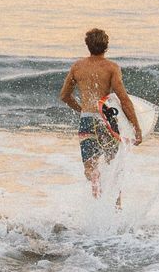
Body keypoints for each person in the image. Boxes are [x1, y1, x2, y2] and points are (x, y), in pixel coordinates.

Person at [59, 28, 141, 204]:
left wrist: (82, 109)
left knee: (90, 168)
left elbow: (65, 96)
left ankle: (97, 199)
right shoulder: (111, 68)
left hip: (87, 120)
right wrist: (136, 128)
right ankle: (116, 208)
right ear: (106, 46)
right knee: (113, 165)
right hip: (106, 121)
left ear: (87, 45)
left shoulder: (77, 67)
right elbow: (124, 100)